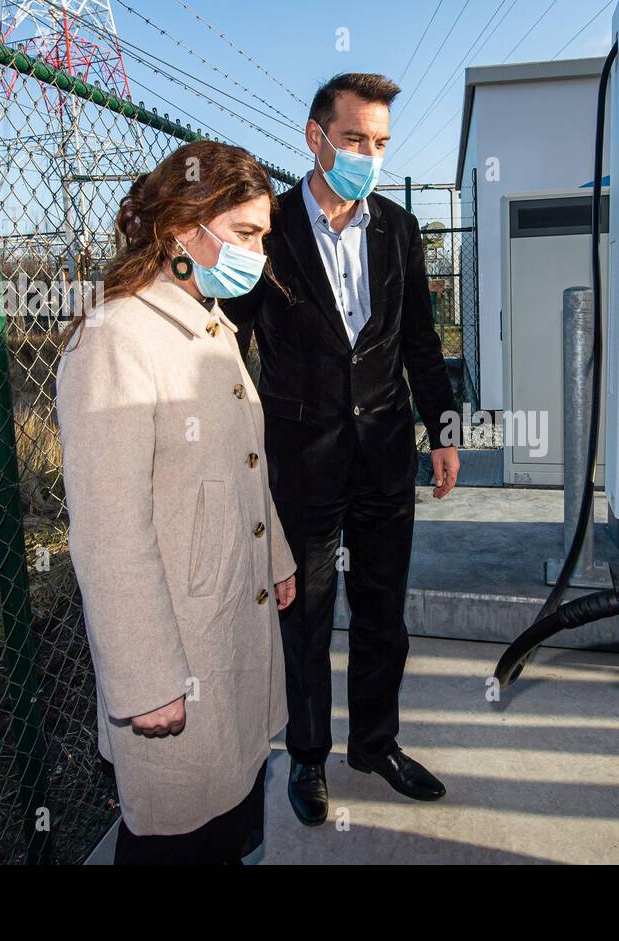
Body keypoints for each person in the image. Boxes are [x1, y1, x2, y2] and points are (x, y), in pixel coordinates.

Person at [221, 73, 459, 827]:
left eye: (381, 143)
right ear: (316, 137)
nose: (369, 155)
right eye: (355, 139)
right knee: (308, 614)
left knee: (385, 612)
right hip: (302, 463)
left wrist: (443, 430)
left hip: (386, 454)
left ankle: (376, 743)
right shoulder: (272, 228)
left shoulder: (398, 227)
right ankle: (311, 756)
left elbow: (421, 341)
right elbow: (229, 344)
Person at [55, 140, 297, 864]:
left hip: (225, 623)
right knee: (177, 837)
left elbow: (243, 463)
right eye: (246, 233)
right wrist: (146, 676)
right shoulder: (117, 339)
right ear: (184, 224)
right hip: (177, 654)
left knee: (224, 822)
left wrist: (277, 556)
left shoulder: (207, 321)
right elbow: (107, 530)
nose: (260, 251)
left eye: (264, 234)